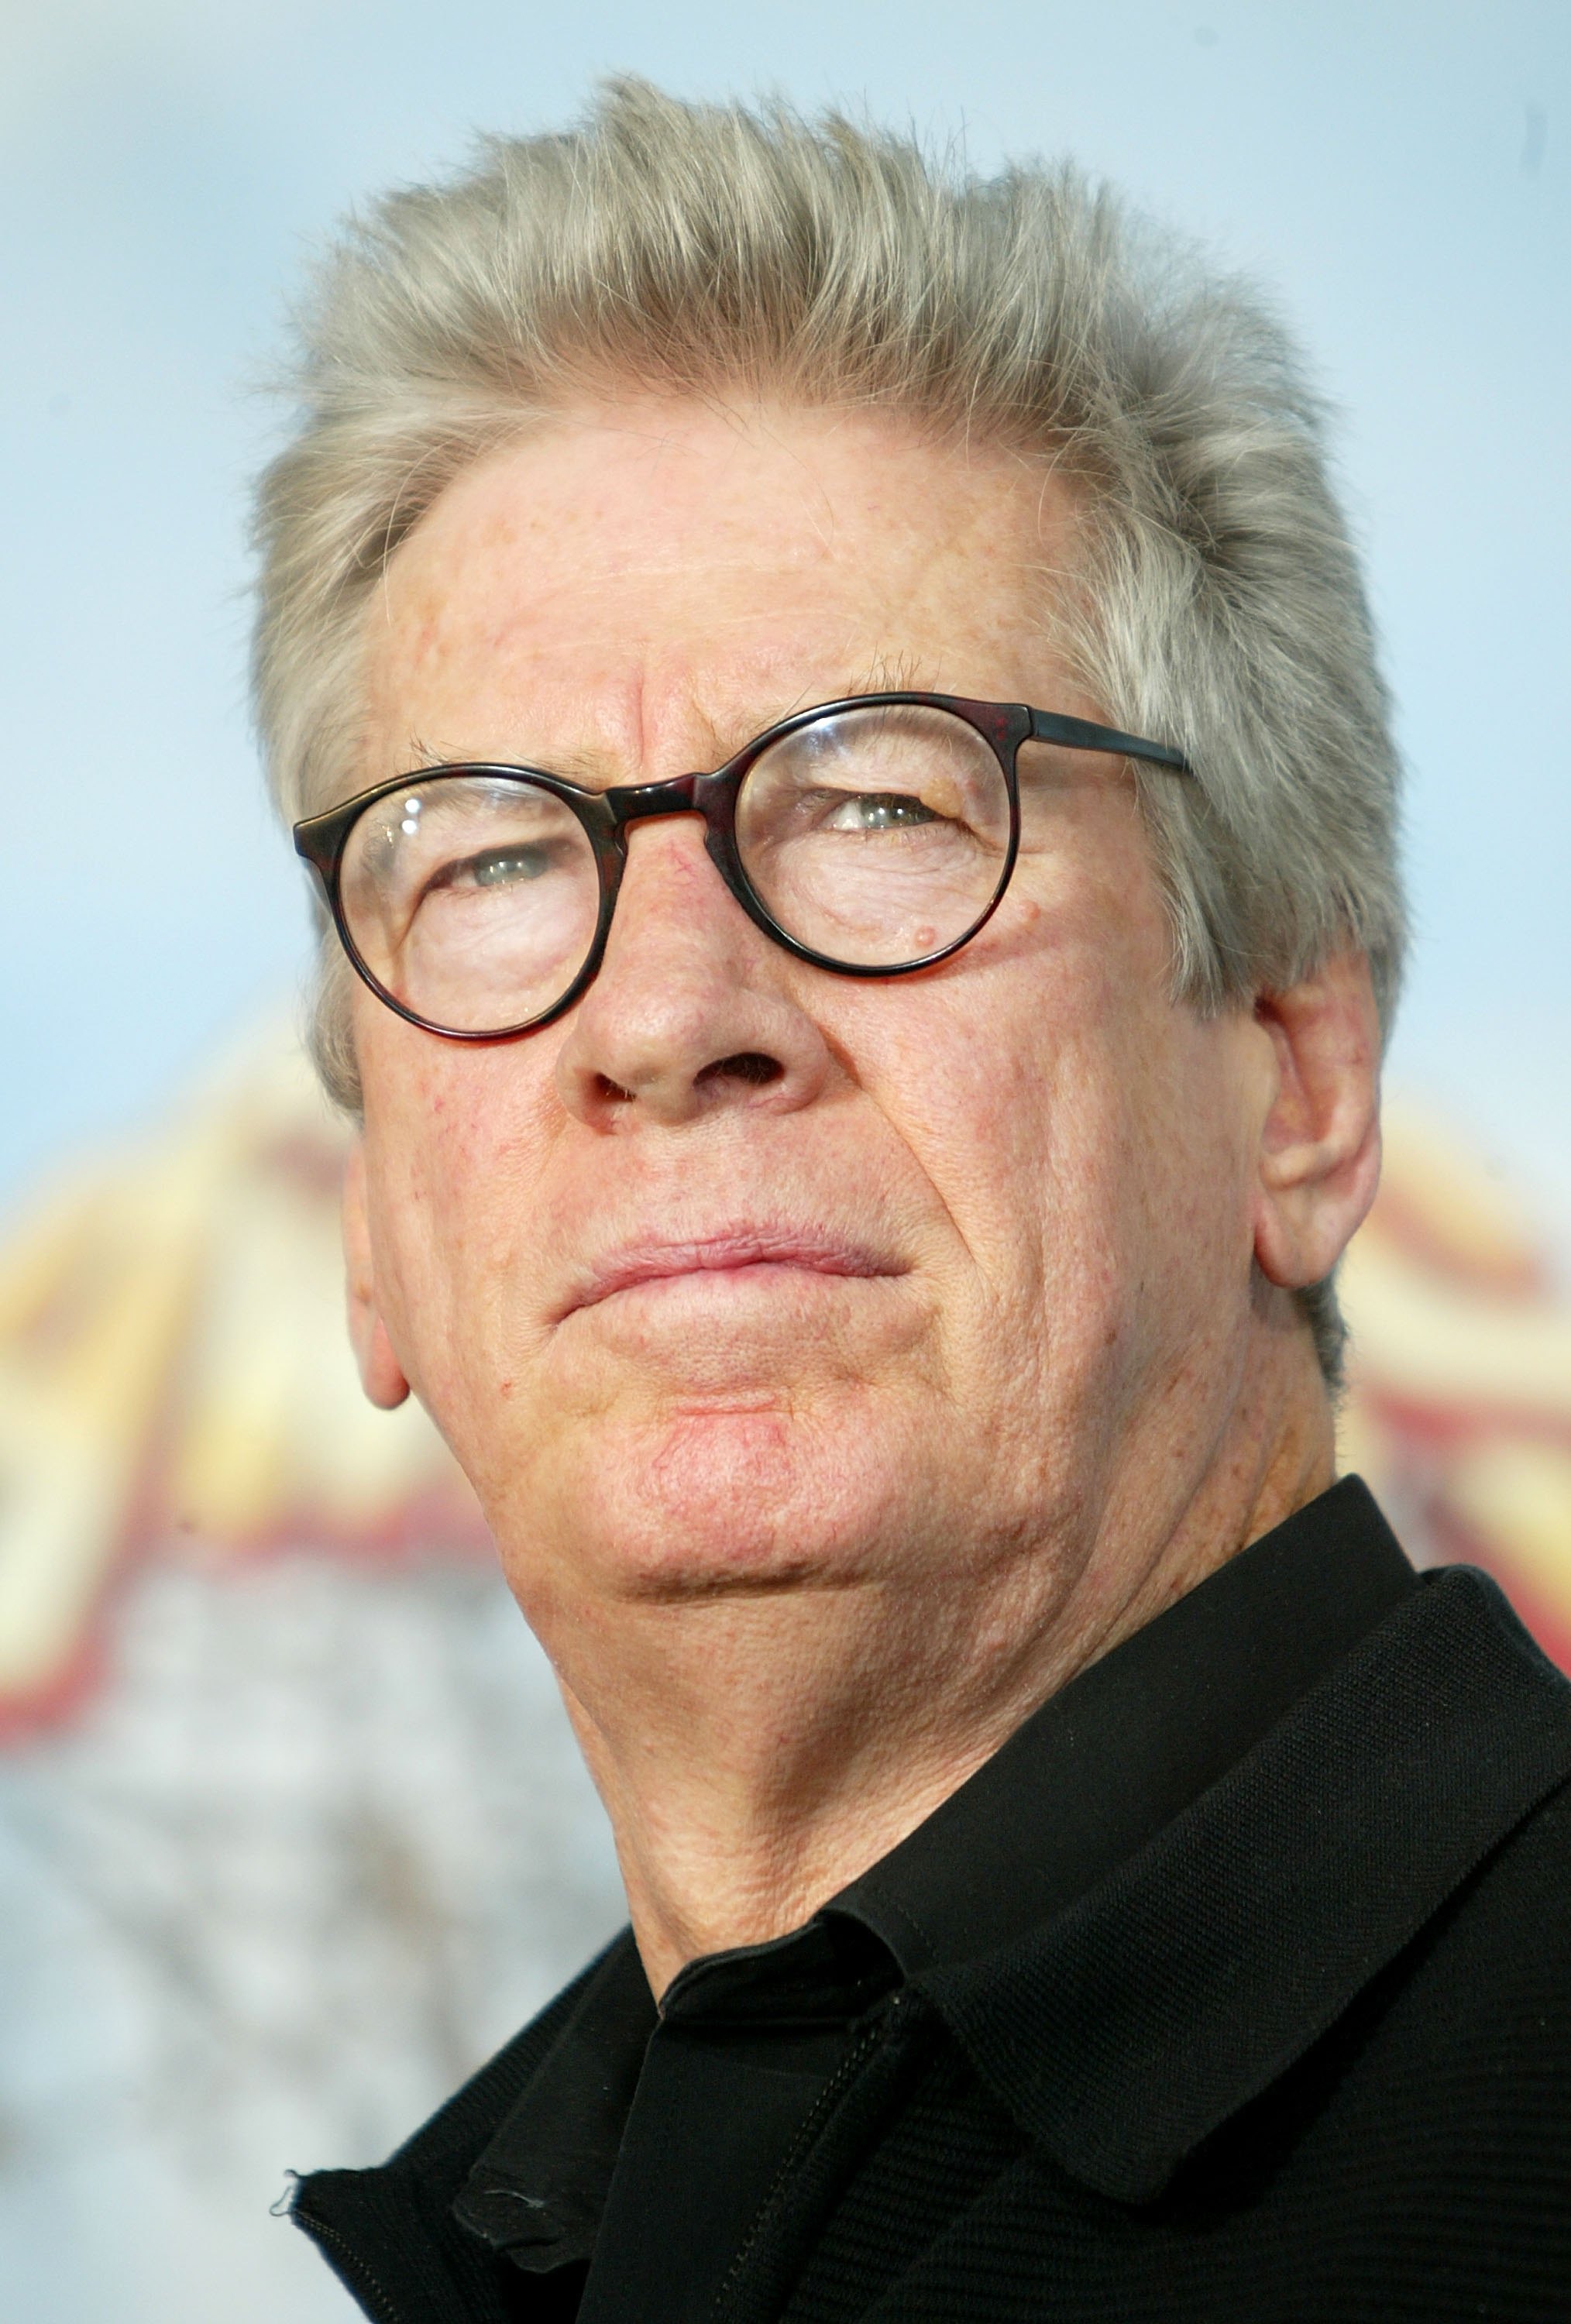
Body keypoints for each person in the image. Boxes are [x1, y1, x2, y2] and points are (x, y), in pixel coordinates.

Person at [256, 81, 1571, 2323]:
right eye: (491, 856)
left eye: (879, 805)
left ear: (1295, 1073)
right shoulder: (520, 2243)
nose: (665, 1015)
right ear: (372, 1217)